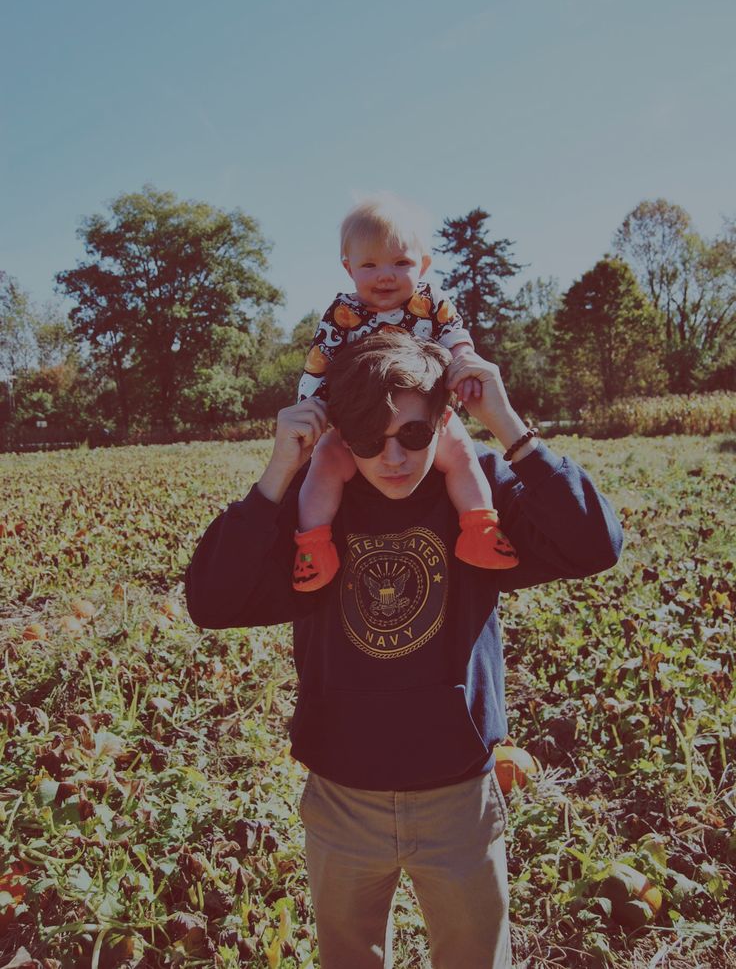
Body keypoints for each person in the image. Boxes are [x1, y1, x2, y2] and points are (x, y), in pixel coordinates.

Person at [185, 332, 623, 969]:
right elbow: (212, 602)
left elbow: (595, 544)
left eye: (413, 436)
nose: (392, 458)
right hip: (342, 797)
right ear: (342, 435)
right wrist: (280, 470)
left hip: (459, 796)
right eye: (369, 440)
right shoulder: (315, 509)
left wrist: (506, 424)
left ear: (443, 422)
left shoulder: (475, 499)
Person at [292, 200, 518, 593]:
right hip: (358, 422)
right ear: (348, 268)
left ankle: (480, 527)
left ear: (423, 266)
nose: (385, 276)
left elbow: (457, 338)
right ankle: (313, 546)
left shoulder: (429, 303)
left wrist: (463, 362)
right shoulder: (342, 313)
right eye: (369, 266)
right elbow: (319, 362)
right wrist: (311, 407)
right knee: (325, 462)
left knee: (463, 455)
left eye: (400, 263)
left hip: (427, 415)